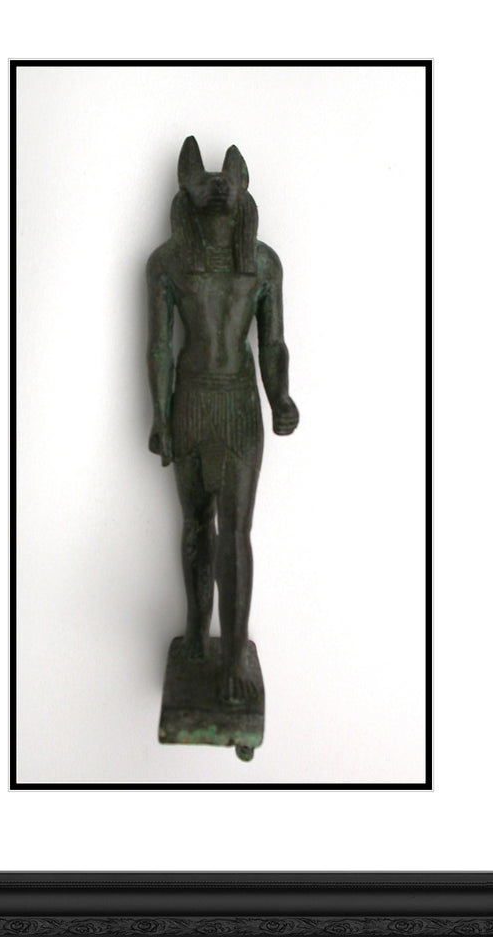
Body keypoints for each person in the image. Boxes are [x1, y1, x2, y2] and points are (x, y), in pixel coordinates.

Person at [147, 136, 299, 704]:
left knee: (234, 534)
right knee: (195, 526)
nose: (216, 188)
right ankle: (196, 631)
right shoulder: (167, 263)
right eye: (204, 182)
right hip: (190, 401)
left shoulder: (262, 264)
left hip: (237, 403)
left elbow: (273, 343)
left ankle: (233, 656)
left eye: (226, 182)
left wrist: (280, 396)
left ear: (242, 188)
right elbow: (159, 347)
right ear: (185, 190)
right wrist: (161, 416)